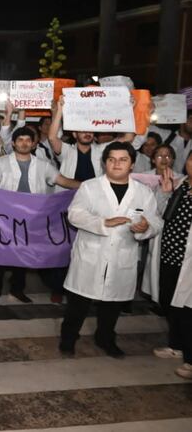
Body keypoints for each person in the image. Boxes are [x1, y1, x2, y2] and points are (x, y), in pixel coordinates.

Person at [59, 142, 161, 358]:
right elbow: (74, 214)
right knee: (78, 304)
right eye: (111, 159)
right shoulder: (89, 187)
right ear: (104, 163)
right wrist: (103, 222)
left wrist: (146, 227)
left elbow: (156, 221)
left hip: (122, 256)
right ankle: (68, 339)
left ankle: (105, 338)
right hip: (91, 255)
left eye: (123, 159)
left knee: (113, 304)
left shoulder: (143, 192)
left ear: (132, 164)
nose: (117, 164)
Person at [0, 127, 80, 304]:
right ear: (13, 143)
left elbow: (63, 181)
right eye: (20, 140)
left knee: (23, 255)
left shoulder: (43, 165)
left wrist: (87, 186)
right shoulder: (1, 163)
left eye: (28, 140)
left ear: (34, 143)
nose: (24, 143)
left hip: (31, 219)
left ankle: (17, 289)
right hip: (6, 218)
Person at [145, 153, 192, 379]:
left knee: (188, 308)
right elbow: (162, 214)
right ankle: (177, 345)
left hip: (189, 260)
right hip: (170, 255)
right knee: (169, 301)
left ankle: (190, 359)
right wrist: (164, 193)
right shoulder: (179, 184)